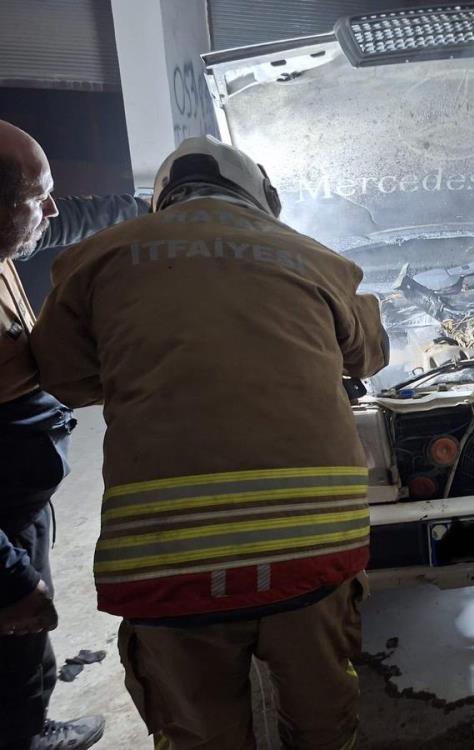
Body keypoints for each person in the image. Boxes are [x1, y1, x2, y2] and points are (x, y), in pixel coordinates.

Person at [30, 135, 389, 750]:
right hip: (313, 550)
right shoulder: (316, 256)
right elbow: (370, 356)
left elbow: (63, 376)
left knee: (198, 731)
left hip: (167, 562)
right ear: (262, 197)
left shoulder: (97, 256)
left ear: (160, 198)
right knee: (324, 714)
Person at [1, 119, 147, 750]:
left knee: (26, 640)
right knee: (16, 623)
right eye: (38, 195)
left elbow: (67, 221)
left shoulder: (6, 238)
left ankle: (29, 724)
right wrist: (6, 578)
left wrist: (153, 209)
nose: (52, 208)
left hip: (18, 491)